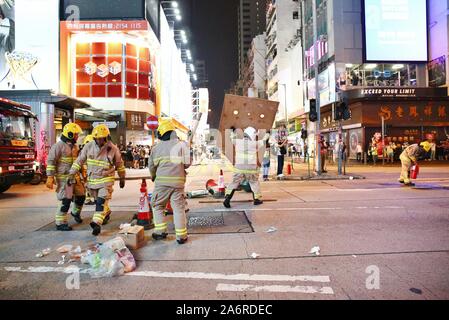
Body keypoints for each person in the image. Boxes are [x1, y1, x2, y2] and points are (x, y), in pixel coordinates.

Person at [69, 124, 126, 236]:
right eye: (98, 138)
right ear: (94, 138)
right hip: (92, 181)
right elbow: (79, 161)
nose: (100, 140)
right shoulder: (88, 146)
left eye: (102, 138)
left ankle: (96, 223)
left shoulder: (113, 149)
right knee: (99, 202)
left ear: (106, 137)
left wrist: (122, 177)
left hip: (106, 180)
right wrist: (72, 173)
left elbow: (119, 164)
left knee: (100, 202)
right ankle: (107, 213)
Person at [149, 118, 191, 245]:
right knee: (179, 209)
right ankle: (182, 236)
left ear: (161, 133)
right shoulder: (182, 145)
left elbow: (151, 166)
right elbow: (188, 164)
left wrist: (153, 176)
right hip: (178, 184)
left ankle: (161, 231)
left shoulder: (156, 148)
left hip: (162, 183)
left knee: (158, 205)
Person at [46, 123, 85, 231]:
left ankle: (75, 213)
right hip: (65, 179)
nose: (77, 136)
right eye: (76, 134)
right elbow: (51, 161)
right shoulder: (58, 146)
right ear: (70, 134)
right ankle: (60, 223)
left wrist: (82, 172)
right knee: (66, 200)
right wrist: (50, 176)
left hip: (75, 177)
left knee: (81, 196)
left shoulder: (75, 147)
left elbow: (77, 161)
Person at [224, 127, 265, 208]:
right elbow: (264, 141)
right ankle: (256, 200)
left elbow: (231, 138)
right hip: (251, 169)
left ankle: (227, 199)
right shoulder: (255, 143)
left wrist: (232, 130)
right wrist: (265, 133)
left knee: (234, 182)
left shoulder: (237, 141)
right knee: (254, 182)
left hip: (239, 168)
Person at [81, 135, 95, 206]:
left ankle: (88, 198)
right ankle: (87, 199)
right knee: (87, 185)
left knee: (87, 185)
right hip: (87, 170)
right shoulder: (89, 150)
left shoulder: (83, 150)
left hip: (86, 170)